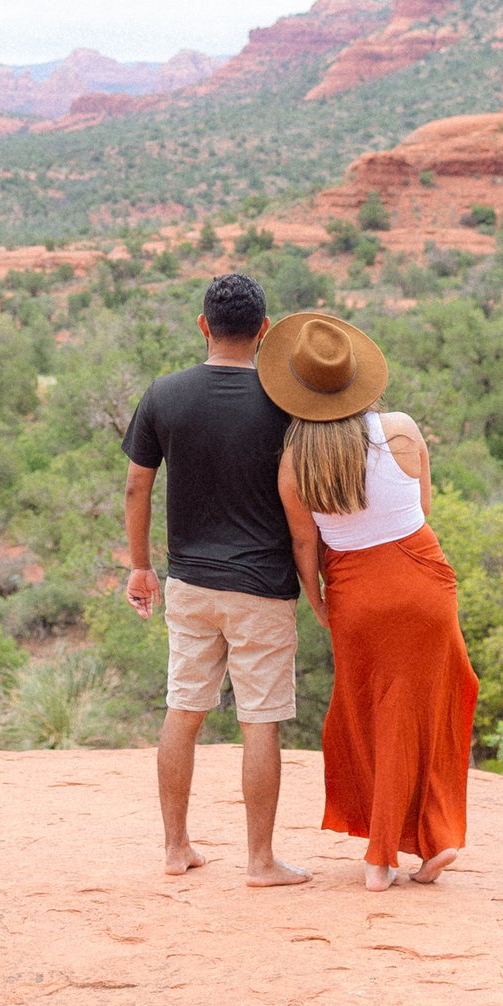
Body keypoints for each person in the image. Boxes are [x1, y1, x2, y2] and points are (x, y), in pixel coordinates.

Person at [262, 310, 477, 892]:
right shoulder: (401, 429)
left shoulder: (293, 463)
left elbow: (305, 547)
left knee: (372, 713)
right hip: (424, 580)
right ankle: (434, 837)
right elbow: (423, 508)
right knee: (433, 703)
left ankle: (380, 858)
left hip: (356, 592)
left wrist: (321, 605)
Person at [122, 271, 312, 887]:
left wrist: (140, 566)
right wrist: (318, 585)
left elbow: (136, 486)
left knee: (184, 711)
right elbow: (302, 507)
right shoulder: (286, 405)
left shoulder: (164, 394)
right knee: (261, 721)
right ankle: (260, 861)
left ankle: (176, 848)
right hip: (262, 586)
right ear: (262, 332)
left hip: (190, 584)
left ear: (204, 325)